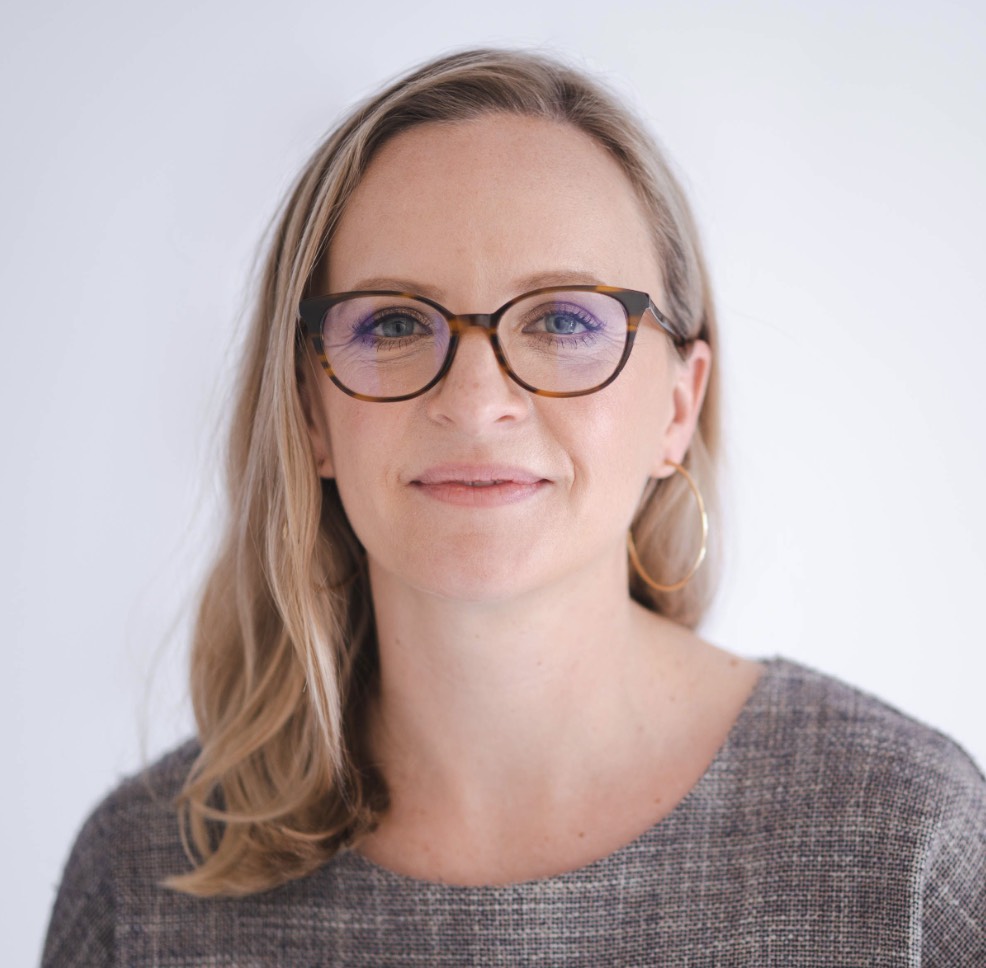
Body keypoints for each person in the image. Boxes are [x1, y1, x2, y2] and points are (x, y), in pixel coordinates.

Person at [42, 48, 985, 966]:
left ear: (676, 406)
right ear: (310, 412)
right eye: (397, 323)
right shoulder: (144, 879)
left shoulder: (906, 844)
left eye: (566, 320)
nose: (477, 400)